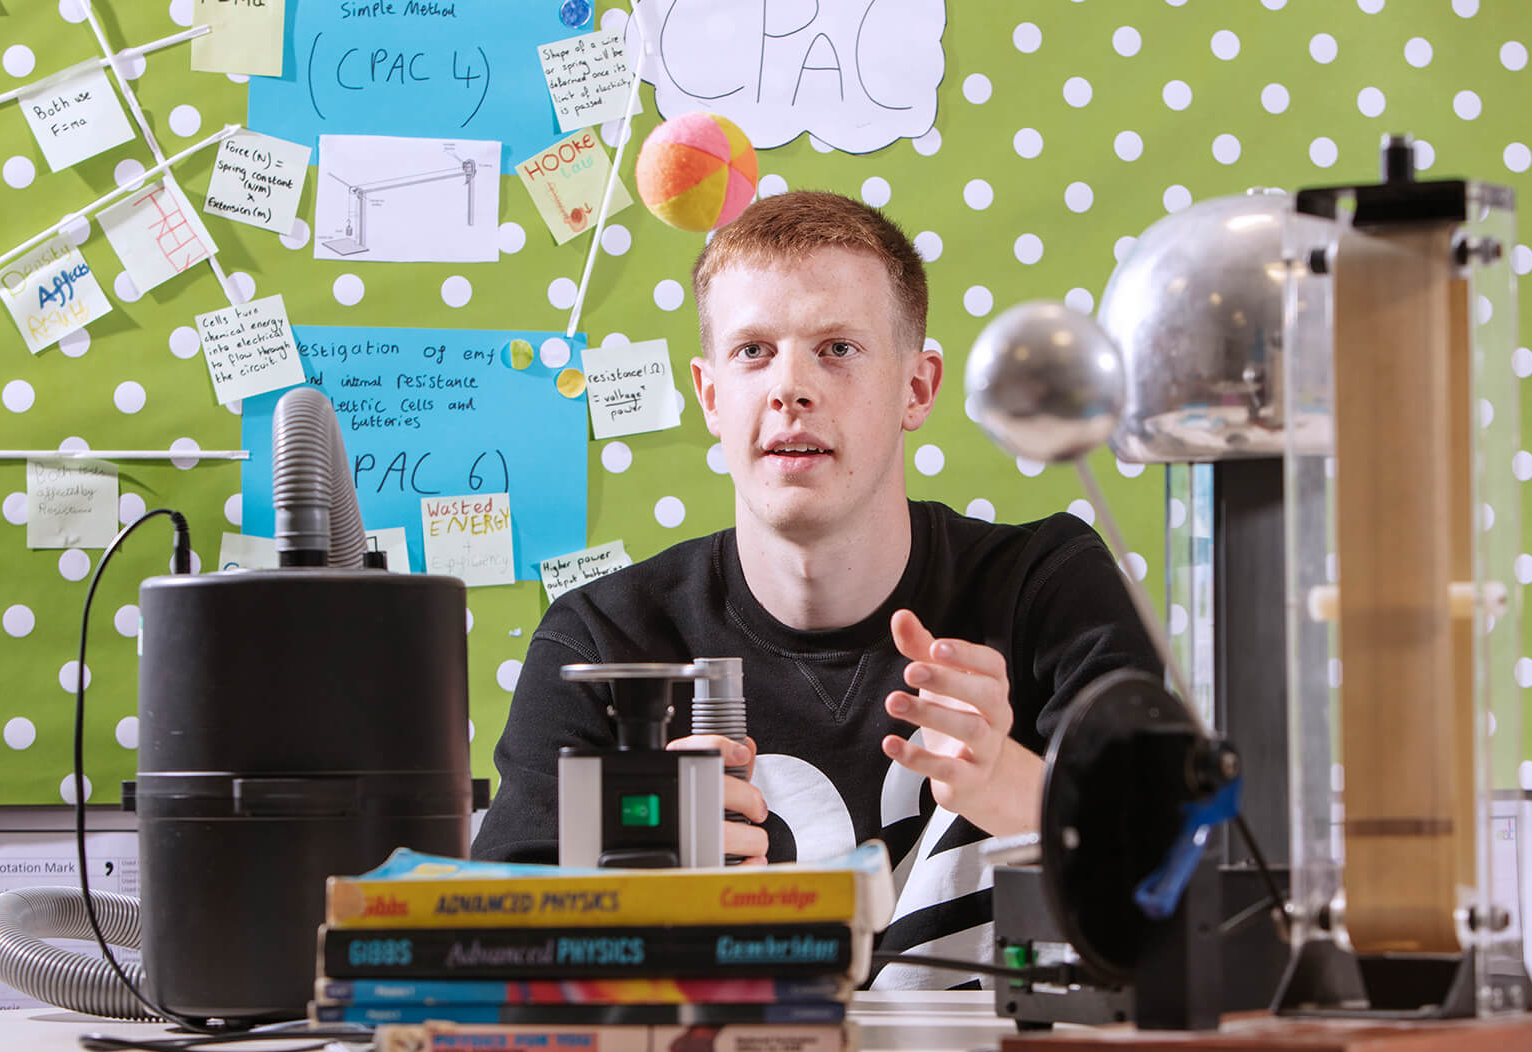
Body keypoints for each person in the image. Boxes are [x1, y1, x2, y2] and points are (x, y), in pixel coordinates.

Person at [471, 190, 1159, 987]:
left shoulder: (1046, 587)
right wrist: (633, 892)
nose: (789, 388)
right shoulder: (603, 643)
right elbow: (489, 966)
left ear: (918, 388)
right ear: (709, 394)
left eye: (837, 348)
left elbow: (1188, 888)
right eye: (753, 351)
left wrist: (1008, 784)